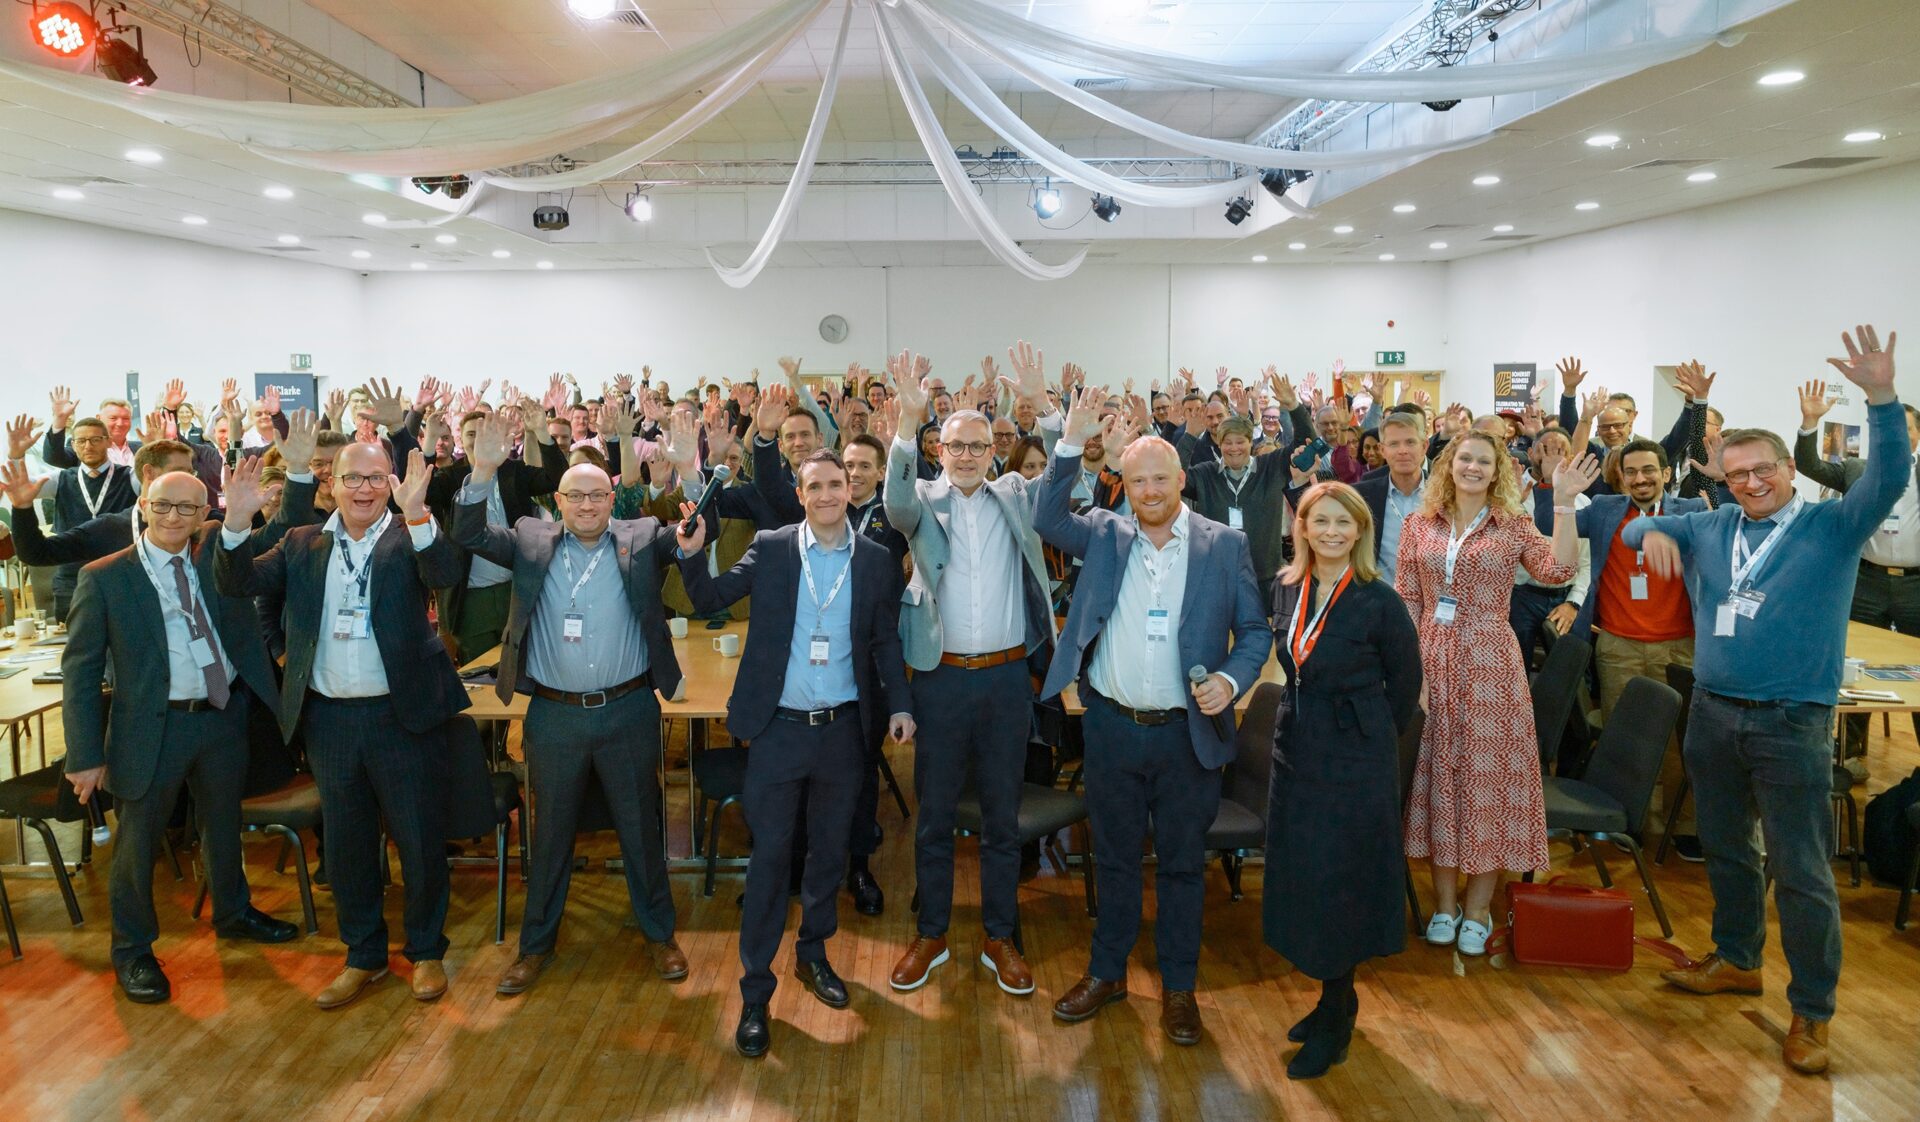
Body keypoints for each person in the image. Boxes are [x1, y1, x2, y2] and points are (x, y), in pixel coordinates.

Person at [1628, 325, 1902, 1077]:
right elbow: (1634, 528)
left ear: (1789, 469)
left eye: (1762, 470)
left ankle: (1812, 1010)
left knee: (1802, 870)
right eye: (1737, 472)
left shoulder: (1832, 527)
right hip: (1713, 711)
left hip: (1791, 721)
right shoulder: (1710, 524)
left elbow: (1888, 479)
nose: (1750, 483)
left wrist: (1882, 398)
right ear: (1721, 476)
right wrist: (1650, 534)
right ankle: (1738, 958)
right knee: (1725, 847)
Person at [1035, 385, 1272, 1045]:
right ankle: (1107, 973)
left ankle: (1179, 988)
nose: (1149, 491)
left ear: (1180, 479)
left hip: (1185, 737)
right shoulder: (1105, 534)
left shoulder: (1224, 545)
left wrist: (1230, 678)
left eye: (1160, 478)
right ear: (1125, 482)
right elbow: (1046, 516)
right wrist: (1068, 442)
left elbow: (1256, 632)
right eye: (1137, 480)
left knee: (1181, 866)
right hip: (1112, 728)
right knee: (1112, 858)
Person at [673, 449, 914, 1059]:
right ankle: (755, 991)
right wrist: (693, 553)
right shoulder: (773, 547)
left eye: (837, 483)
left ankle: (813, 954)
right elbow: (710, 598)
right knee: (771, 861)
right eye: (815, 486)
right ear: (800, 494)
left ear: (850, 489)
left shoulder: (876, 560)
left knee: (829, 852)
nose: (828, 494)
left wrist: (902, 705)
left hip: (843, 732)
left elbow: (885, 641)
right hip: (778, 732)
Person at [216, 443, 467, 1010]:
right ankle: (363, 954)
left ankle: (426, 951)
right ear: (330, 483)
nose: (364, 489)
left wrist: (418, 513)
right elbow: (238, 584)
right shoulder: (302, 541)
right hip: (329, 719)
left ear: (391, 484)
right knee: (347, 847)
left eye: (376, 479)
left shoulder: (407, 534)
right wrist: (234, 524)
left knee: (419, 840)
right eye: (353, 478)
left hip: (402, 717)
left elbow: (445, 573)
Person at [454, 414, 689, 994]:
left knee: (641, 830)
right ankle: (535, 947)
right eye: (575, 496)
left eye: (597, 495)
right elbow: (470, 533)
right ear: (556, 501)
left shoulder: (641, 537)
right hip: (554, 715)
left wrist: (689, 480)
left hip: (628, 709)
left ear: (613, 498)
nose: (587, 504)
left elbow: (687, 530)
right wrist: (481, 470)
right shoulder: (530, 540)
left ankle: (660, 936)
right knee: (550, 835)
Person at [60, 469, 302, 1004]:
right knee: (137, 844)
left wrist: (281, 485)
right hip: (152, 728)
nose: (174, 517)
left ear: (202, 514)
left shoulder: (217, 556)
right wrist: (84, 754)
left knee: (224, 826)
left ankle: (233, 912)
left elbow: (275, 531)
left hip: (221, 717)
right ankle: (132, 950)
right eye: (163, 505)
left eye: (188, 508)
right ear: (143, 506)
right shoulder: (104, 577)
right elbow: (80, 671)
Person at [882, 344, 1059, 998]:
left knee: (1002, 818)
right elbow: (893, 505)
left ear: (993, 451)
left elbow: (1067, 484)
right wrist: (907, 422)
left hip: (1008, 681)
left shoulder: (1017, 496)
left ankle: (999, 936)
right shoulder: (921, 500)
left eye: (977, 446)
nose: (965, 455)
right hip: (942, 680)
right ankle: (931, 934)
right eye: (954, 445)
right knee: (933, 815)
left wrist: (1044, 411)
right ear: (940, 450)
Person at [1396, 430, 1592, 957]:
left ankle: (1479, 909)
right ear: (1449, 464)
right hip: (1431, 658)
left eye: (1484, 461)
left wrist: (1565, 503)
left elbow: (1559, 570)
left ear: (1497, 470)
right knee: (1439, 779)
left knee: (1486, 783)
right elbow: (1407, 600)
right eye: (1465, 458)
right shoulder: (1419, 524)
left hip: (1490, 664)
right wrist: (1412, 674)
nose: (1473, 467)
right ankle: (1444, 905)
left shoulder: (1514, 524)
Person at [1263, 482, 1421, 1079]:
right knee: (1305, 874)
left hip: (1355, 758)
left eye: (1343, 522)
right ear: (1301, 527)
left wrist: (1366, 736)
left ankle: (1337, 1012)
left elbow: (1405, 687)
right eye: (1320, 521)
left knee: (1343, 881)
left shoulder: (1381, 600)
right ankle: (1334, 999)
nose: (1331, 532)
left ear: (1360, 531)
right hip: (1297, 747)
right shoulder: (1286, 586)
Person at [1568, 437, 1707, 856]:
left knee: (1681, 741)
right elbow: (1548, 523)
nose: (1640, 478)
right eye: (1631, 472)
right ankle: (1634, 821)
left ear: (1665, 473)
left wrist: (1719, 482)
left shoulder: (1691, 511)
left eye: (1649, 470)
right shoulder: (1604, 509)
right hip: (1618, 646)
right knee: (1625, 738)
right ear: (1621, 477)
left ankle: (1684, 826)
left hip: (1681, 647)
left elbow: (1733, 525)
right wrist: (1559, 492)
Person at [1792, 376, 1920, 777]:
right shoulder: (1856, 469)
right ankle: (1852, 754)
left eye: (1905, 428)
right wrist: (1809, 423)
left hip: (1916, 585)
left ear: (1916, 435)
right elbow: (1809, 466)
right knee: (1855, 666)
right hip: (1867, 580)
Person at [425, 404, 565, 663]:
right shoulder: (450, 477)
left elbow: (557, 479)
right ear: (459, 439)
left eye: (485, 433)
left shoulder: (515, 471)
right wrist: (430, 441)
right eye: (471, 434)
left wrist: (542, 433)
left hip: (516, 590)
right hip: (472, 598)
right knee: (480, 669)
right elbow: (420, 491)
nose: (478, 440)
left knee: (524, 664)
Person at [1182, 414, 1298, 606]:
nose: (1234, 448)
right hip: (1217, 578)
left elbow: (1306, 443)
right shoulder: (1205, 473)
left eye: (1240, 441)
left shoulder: (1270, 467)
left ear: (1251, 442)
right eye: (1227, 442)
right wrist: (1189, 437)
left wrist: (1294, 407)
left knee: (1263, 625)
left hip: (1264, 578)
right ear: (1219, 444)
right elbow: (1173, 478)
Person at [1510, 428, 1591, 665]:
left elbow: (1586, 564)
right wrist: (1547, 482)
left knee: (1568, 670)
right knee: (1517, 666)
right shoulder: (1512, 493)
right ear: (1530, 452)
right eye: (1544, 449)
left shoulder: (1582, 501)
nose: (1551, 456)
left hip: (1564, 597)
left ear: (1570, 456)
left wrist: (1574, 603)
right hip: (1521, 596)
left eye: (1560, 451)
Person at [1354, 412, 1429, 584]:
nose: (1403, 450)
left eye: (1410, 442)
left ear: (1424, 446)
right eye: (1394, 444)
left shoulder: (1445, 495)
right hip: (1379, 595)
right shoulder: (1363, 495)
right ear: (1382, 450)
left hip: (1431, 597)